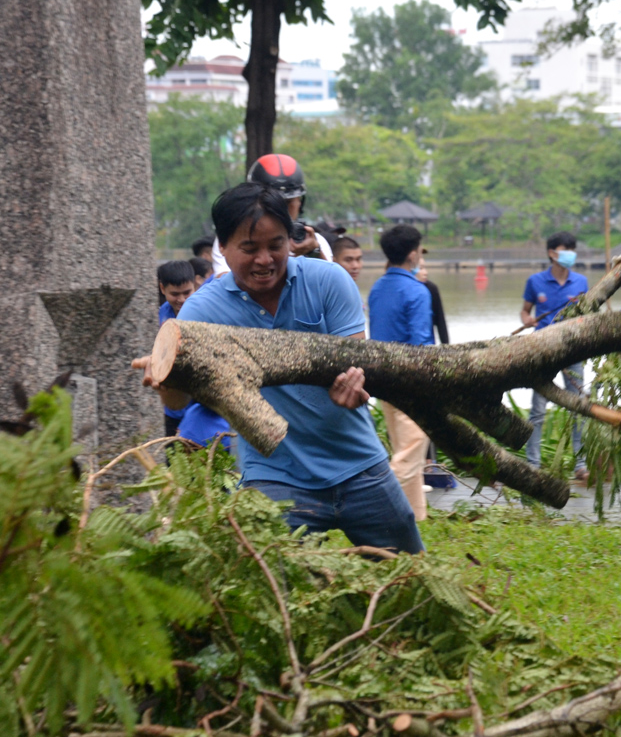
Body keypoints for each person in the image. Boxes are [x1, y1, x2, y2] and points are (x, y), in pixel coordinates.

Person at [134, 183, 423, 553]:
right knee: (267, 588)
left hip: (358, 464)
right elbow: (177, 403)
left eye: (276, 245)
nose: (265, 260)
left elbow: (356, 361)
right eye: (249, 248)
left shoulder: (328, 281)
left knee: (411, 579)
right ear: (222, 247)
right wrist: (164, 377)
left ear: (290, 238)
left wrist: (353, 384)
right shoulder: (200, 315)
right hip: (273, 475)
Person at [368, 224, 434, 521]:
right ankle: (369, 498)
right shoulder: (417, 291)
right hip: (410, 383)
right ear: (412, 254)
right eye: (420, 250)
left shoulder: (377, 288)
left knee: (405, 449)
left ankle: (415, 517)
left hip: (382, 378)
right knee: (412, 450)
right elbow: (421, 344)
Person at [521, 232, 589, 478]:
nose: (570, 253)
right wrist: (527, 320)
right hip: (542, 352)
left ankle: (581, 465)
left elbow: (587, 314)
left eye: (573, 248)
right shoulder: (535, 281)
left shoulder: (581, 282)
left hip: (573, 350)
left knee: (578, 406)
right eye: (565, 249)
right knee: (538, 410)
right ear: (552, 253)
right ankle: (533, 464)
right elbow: (525, 311)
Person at [210, 154, 332, 275]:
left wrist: (314, 252)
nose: (280, 210)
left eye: (287, 203)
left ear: (300, 201)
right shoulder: (232, 238)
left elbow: (330, 285)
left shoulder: (314, 241)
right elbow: (224, 284)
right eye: (250, 249)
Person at [156, 260, 197, 436]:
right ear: (162, 289)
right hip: (172, 402)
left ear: (195, 284)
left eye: (187, 292)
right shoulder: (159, 316)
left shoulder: (205, 311)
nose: (181, 299)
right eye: (175, 294)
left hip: (201, 404)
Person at [416, 264, 450, 345]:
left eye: (424, 268)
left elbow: (440, 321)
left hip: (427, 345)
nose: (425, 273)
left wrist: (446, 348)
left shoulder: (431, 289)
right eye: (420, 268)